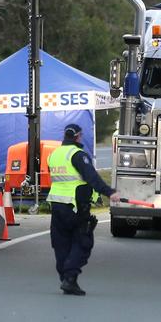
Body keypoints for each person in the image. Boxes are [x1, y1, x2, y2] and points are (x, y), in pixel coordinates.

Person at [47, 124, 120, 295]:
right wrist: (110, 193)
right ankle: (70, 278)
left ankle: (65, 278)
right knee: (82, 241)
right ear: (78, 136)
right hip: (75, 205)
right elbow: (92, 178)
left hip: (57, 204)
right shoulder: (78, 155)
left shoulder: (53, 155)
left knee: (61, 243)